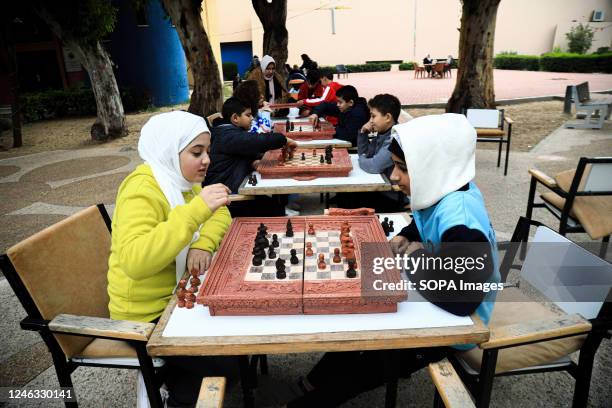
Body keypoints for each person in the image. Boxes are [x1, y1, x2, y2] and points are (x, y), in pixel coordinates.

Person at [285, 113, 500, 407]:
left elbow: (462, 299)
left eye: (401, 168)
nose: (394, 177)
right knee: (360, 322)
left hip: (458, 321)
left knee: (372, 356)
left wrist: (412, 264)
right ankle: (314, 381)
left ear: (432, 169)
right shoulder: (445, 188)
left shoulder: (460, 219)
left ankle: (305, 403)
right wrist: (407, 235)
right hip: (438, 292)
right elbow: (426, 218)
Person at [107, 111, 238, 406]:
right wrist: (194, 214)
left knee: (235, 338)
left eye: (207, 151)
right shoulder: (141, 190)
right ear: (168, 150)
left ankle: (172, 380)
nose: (206, 160)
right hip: (144, 316)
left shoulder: (180, 177)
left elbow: (220, 210)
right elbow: (135, 261)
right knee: (224, 364)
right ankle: (169, 397)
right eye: (196, 152)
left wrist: (203, 244)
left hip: (178, 294)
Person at [204, 97, 297, 216]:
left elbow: (243, 151)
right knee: (275, 210)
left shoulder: (224, 132)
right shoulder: (228, 136)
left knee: (274, 204)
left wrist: (252, 161)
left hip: (231, 190)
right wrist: (284, 139)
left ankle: (283, 210)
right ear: (235, 118)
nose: (252, 118)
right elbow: (257, 141)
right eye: (248, 115)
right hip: (230, 201)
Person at [335, 94, 405, 212]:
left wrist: (362, 158)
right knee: (343, 195)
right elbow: (366, 154)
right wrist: (363, 133)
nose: (370, 121)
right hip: (381, 188)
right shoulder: (384, 132)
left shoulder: (395, 138)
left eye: (373, 116)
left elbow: (374, 166)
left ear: (387, 117)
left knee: (346, 200)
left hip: (391, 195)